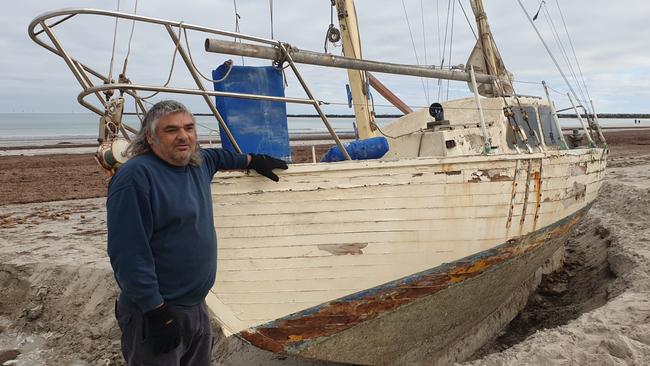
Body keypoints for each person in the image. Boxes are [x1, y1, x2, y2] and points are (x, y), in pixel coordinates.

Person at [106, 100, 287, 365]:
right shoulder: (136, 177)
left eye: (189, 128)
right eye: (171, 130)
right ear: (151, 137)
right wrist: (157, 312)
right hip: (157, 312)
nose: (183, 136)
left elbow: (219, 157)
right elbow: (128, 254)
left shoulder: (197, 163)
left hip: (197, 307)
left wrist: (252, 160)